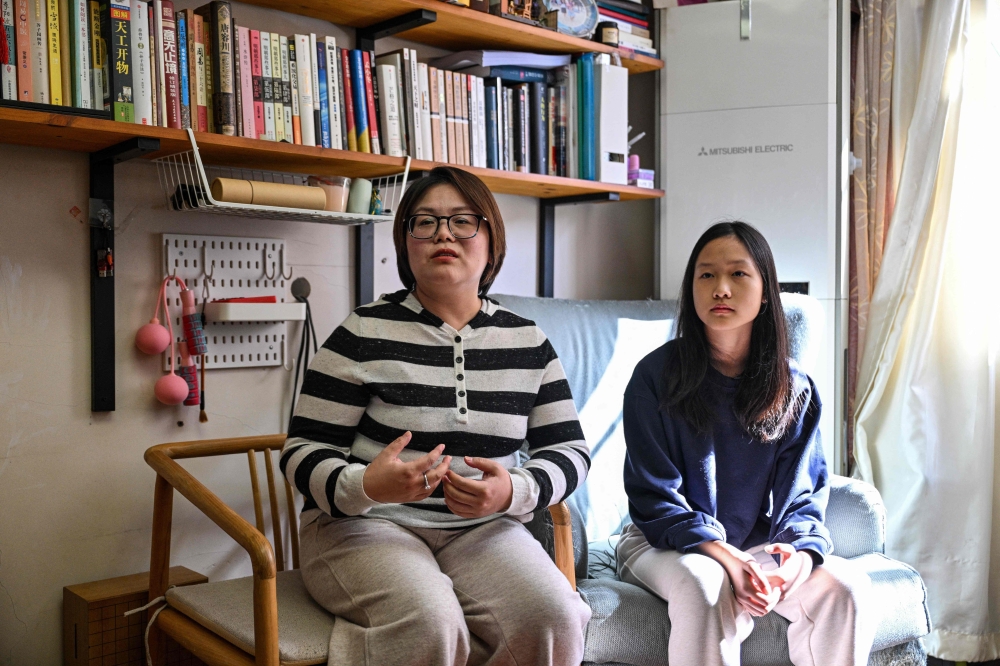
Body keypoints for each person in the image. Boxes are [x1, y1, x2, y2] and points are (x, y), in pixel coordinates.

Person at [281, 166, 592, 666]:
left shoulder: (529, 343)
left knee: (554, 613)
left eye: (463, 221)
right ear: (406, 244)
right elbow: (301, 450)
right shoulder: (363, 330)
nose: (443, 233)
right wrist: (366, 485)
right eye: (424, 222)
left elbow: (569, 451)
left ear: (492, 239)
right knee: (430, 619)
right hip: (364, 527)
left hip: (484, 531)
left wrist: (514, 491)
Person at [617, 221, 877, 666]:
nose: (721, 288)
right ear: (691, 289)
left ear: (764, 291)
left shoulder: (795, 387)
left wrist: (797, 556)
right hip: (663, 542)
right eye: (706, 275)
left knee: (846, 590)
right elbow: (654, 497)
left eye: (738, 274)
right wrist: (725, 558)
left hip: (755, 543)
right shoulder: (654, 377)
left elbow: (803, 494)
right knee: (706, 584)